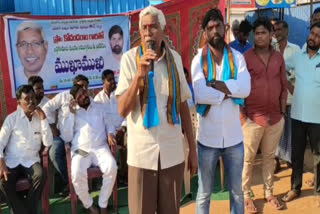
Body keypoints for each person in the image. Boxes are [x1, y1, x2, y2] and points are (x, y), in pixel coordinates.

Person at [115, 6, 197, 214]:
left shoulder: (175, 60)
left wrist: (193, 150)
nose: (148, 32)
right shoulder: (129, 60)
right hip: (141, 153)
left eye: (153, 27)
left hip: (171, 151)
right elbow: (122, 110)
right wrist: (138, 77)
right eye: (144, 27)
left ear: (163, 30)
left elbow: (183, 106)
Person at [192, 8, 251, 214]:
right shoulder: (198, 60)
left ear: (225, 28)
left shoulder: (237, 58)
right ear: (204, 32)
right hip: (207, 140)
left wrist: (215, 85)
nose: (215, 31)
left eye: (218, 26)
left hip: (234, 138)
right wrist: (229, 90)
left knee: (236, 192)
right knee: (204, 193)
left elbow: (246, 89)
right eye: (210, 28)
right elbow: (199, 94)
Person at [241, 17, 288, 213]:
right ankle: (246, 196)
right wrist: (243, 117)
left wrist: (282, 109)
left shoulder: (278, 57)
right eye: (257, 33)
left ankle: (269, 193)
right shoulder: (247, 57)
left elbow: (284, 85)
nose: (259, 36)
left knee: (269, 157)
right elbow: (240, 88)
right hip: (252, 118)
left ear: (271, 35)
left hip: (275, 118)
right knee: (248, 159)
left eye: (263, 33)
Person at [61, 84, 117, 214]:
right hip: (80, 149)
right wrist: (70, 115)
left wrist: (110, 133)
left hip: (100, 147)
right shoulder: (71, 112)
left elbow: (109, 123)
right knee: (76, 173)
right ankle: (89, 205)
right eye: (79, 96)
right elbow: (67, 136)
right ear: (75, 99)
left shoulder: (99, 106)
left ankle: (103, 203)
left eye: (84, 92)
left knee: (112, 167)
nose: (84, 96)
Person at [281, 22, 320, 207]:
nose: (313, 37)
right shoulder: (298, 57)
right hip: (297, 115)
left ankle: (319, 189)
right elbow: (281, 67)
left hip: (317, 117)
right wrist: (289, 84)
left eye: (318, 36)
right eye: (312, 33)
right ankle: (295, 188)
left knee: (318, 154)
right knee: (296, 154)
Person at [0, 85, 53, 214]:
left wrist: (44, 118)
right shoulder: (11, 119)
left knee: (40, 175)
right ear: (19, 103)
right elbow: (0, 142)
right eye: (27, 99)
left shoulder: (39, 118)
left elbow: (48, 142)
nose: (31, 102)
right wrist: (1, 163)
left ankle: (23, 211)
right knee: (3, 184)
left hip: (31, 161)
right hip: (12, 161)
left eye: (32, 98)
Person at [42, 74, 89, 193]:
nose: (83, 89)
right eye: (80, 86)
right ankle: (70, 182)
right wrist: (52, 126)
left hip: (78, 142)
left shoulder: (88, 102)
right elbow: (46, 109)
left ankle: (83, 183)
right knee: (54, 152)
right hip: (62, 138)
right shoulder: (63, 96)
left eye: (85, 87)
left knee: (86, 155)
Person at [272, 20, 301, 172]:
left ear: (287, 31)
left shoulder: (295, 50)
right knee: (275, 131)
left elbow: (298, 72)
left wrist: (287, 78)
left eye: (280, 29)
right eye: (275, 30)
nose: (277, 32)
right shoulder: (271, 49)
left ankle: (289, 158)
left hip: (290, 96)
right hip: (274, 98)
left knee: (290, 131)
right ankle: (275, 160)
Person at [94, 69, 127, 183]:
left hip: (123, 130)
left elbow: (127, 112)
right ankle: (113, 177)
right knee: (108, 146)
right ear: (103, 82)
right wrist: (110, 133)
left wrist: (123, 128)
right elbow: (99, 121)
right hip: (108, 133)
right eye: (109, 80)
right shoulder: (98, 99)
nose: (113, 82)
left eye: (113, 79)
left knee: (128, 143)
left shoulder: (120, 94)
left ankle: (124, 175)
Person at [14, 21, 55, 92]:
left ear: (46, 47)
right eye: (23, 44)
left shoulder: (54, 74)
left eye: (36, 43)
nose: (30, 51)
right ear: (17, 49)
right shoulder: (15, 76)